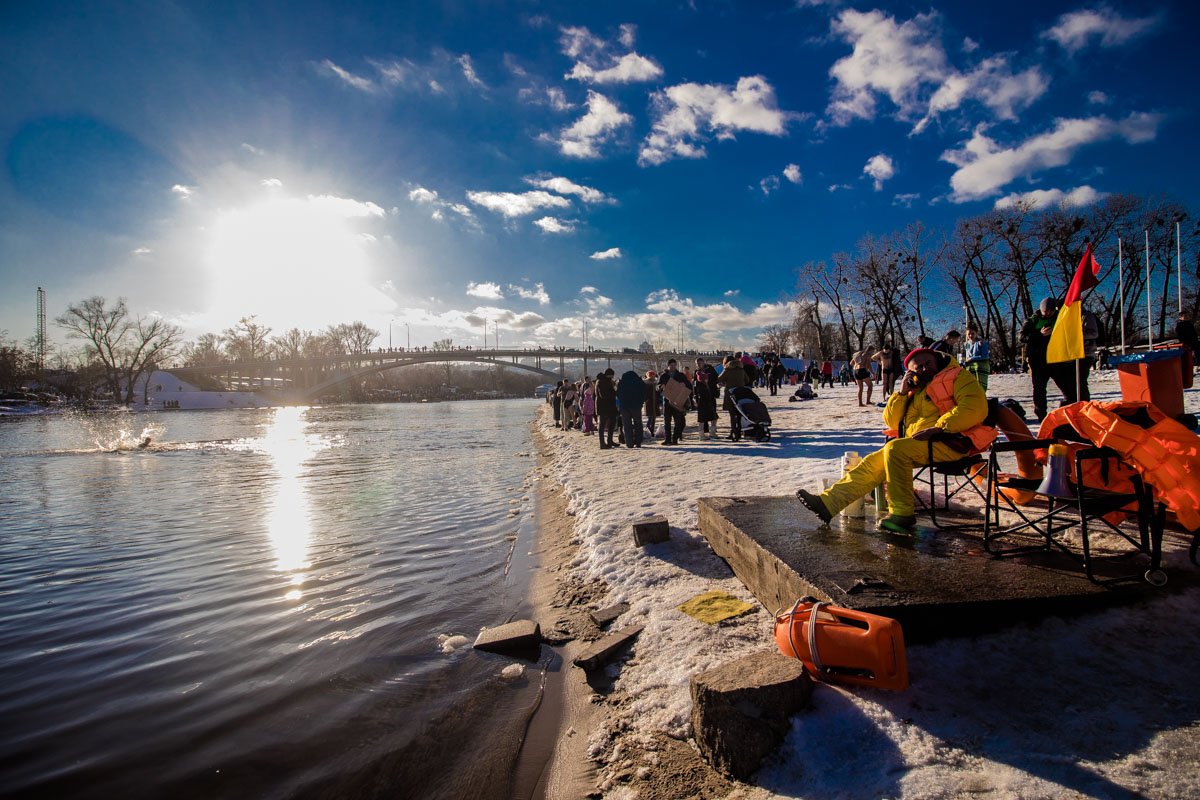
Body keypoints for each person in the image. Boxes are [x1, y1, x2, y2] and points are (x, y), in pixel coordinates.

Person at [796, 347, 995, 534]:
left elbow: (975, 407)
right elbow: (891, 420)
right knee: (874, 461)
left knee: (895, 450)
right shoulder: (915, 389)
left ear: (937, 359)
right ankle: (828, 503)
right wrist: (901, 393)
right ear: (911, 372)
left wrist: (940, 428)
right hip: (921, 445)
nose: (925, 368)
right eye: (919, 367)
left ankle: (902, 515)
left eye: (928, 362)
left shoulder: (958, 376)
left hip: (952, 441)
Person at [1020, 297, 1071, 420]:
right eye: (1045, 312)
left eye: (1051, 311)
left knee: (1067, 387)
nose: (1048, 314)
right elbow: (1022, 337)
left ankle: (1068, 410)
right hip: (1038, 360)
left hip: (1056, 359)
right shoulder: (1033, 320)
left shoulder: (1060, 317)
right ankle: (1041, 414)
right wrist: (1039, 334)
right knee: (1039, 389)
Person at [1062, 307, 1101, 403]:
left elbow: (1094, 333)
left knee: (1080, 381)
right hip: (1071, 354)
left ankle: (1084, 405)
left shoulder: (1086, 316)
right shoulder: (1066, 317)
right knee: (1070, 381)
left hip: (1085, 354)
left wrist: (1076, 334)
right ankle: (1073, 403)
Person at [658, 359, 692, 445]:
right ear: (668, 366)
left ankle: (675, 439)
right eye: (671, 365)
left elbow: (689, 386)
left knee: (678, 421)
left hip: (677, 402)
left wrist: (684, 385)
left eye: (674, 365)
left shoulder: (680, 375)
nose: (673, 367)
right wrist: (661, 386)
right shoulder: (663, 376)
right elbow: (657, 387)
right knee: (667, 421)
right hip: (667, 401)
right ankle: (667, 439)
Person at [716, 354, 748, 441]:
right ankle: (739, 430)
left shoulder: (727, 370)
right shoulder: (741, 369)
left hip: (730, 394)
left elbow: (719, 379)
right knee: (739, 413)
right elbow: (747, 379)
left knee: (732, 414)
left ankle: (734, 432)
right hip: (740, 393)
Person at [616, 369, 645, 448]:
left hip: (624, 406)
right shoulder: (639, 382)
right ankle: (638, 442)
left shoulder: (622, 383)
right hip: (636, 406)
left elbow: (618, 394)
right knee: (638, 424)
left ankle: (629, 443)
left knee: (626, 425)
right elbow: (644, 393)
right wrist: (641, 402)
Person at [962, 325, 991, 391]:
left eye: (972, 333)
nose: (970, 336)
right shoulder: (966, 344)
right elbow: (964, 356)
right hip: (970, 368)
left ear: (976, 333)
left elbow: (985, 356)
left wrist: (971, 359)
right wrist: (963, 362)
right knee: (971, 386)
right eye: (968, 334)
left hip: (980, 368)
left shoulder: (981, 342)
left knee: (980, 387)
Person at [693, 367, 720, 439]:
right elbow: (708, 396)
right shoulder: (704, 387)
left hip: (702, 405)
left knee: (702, 420)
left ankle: (702, 434)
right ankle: (712, 433)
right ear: (704, 379)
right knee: (714, 418)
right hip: (706, 404)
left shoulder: (698, 385)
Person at [595, 369, 618, 449]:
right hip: (604, 406)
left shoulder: (606, 381)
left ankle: (609, 440)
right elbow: (604, 395)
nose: (612, 377)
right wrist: (614, 393)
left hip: (608, 406)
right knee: (602, 425)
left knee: (612, 423)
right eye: (612, 375)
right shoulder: (602, 382)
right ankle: (602, 443)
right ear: (609, 375)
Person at [643, 370, 660, 439]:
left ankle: (651, 431)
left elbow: (657, 393)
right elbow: (645, 394)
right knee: (650, 418)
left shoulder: (655, 384)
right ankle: (648, 430)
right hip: (649, 403)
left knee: (653, 418)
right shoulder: (646, 384)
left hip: (654, 403)